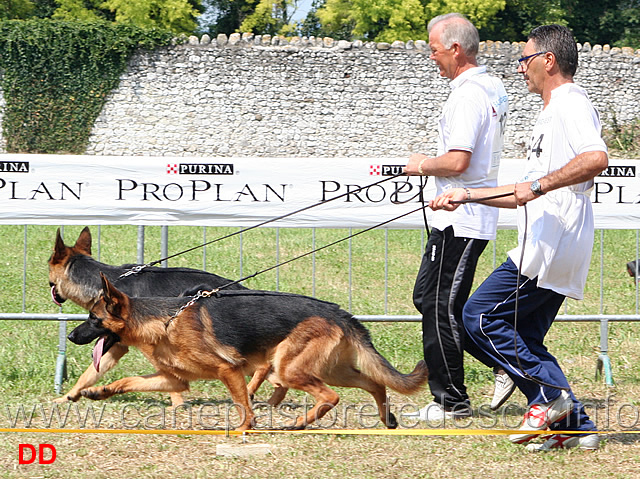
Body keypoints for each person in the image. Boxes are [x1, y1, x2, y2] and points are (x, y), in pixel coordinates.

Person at [430, 24, 608, 450]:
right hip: (550, 238)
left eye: (525, 59)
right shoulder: (550, 112)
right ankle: (575, 427)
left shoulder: (570, 104)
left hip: (553, 241)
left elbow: (596, 157)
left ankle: (547, 399)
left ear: (548, 60)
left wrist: (543, 186)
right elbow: (523, 191)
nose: (519, 68)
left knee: (478, 317)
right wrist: (467, 194)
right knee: (523, 336)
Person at [403, 13, 511, 421]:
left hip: (462, 216)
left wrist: (421, 165)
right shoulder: (491, 86)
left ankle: (452, 400)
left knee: (441, 307)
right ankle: (499, 363)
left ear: (455, 49)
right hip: (458, 214)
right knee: (427, 299)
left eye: (433, 50)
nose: (431, 58)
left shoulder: (467, 94)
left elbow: (458, 159)